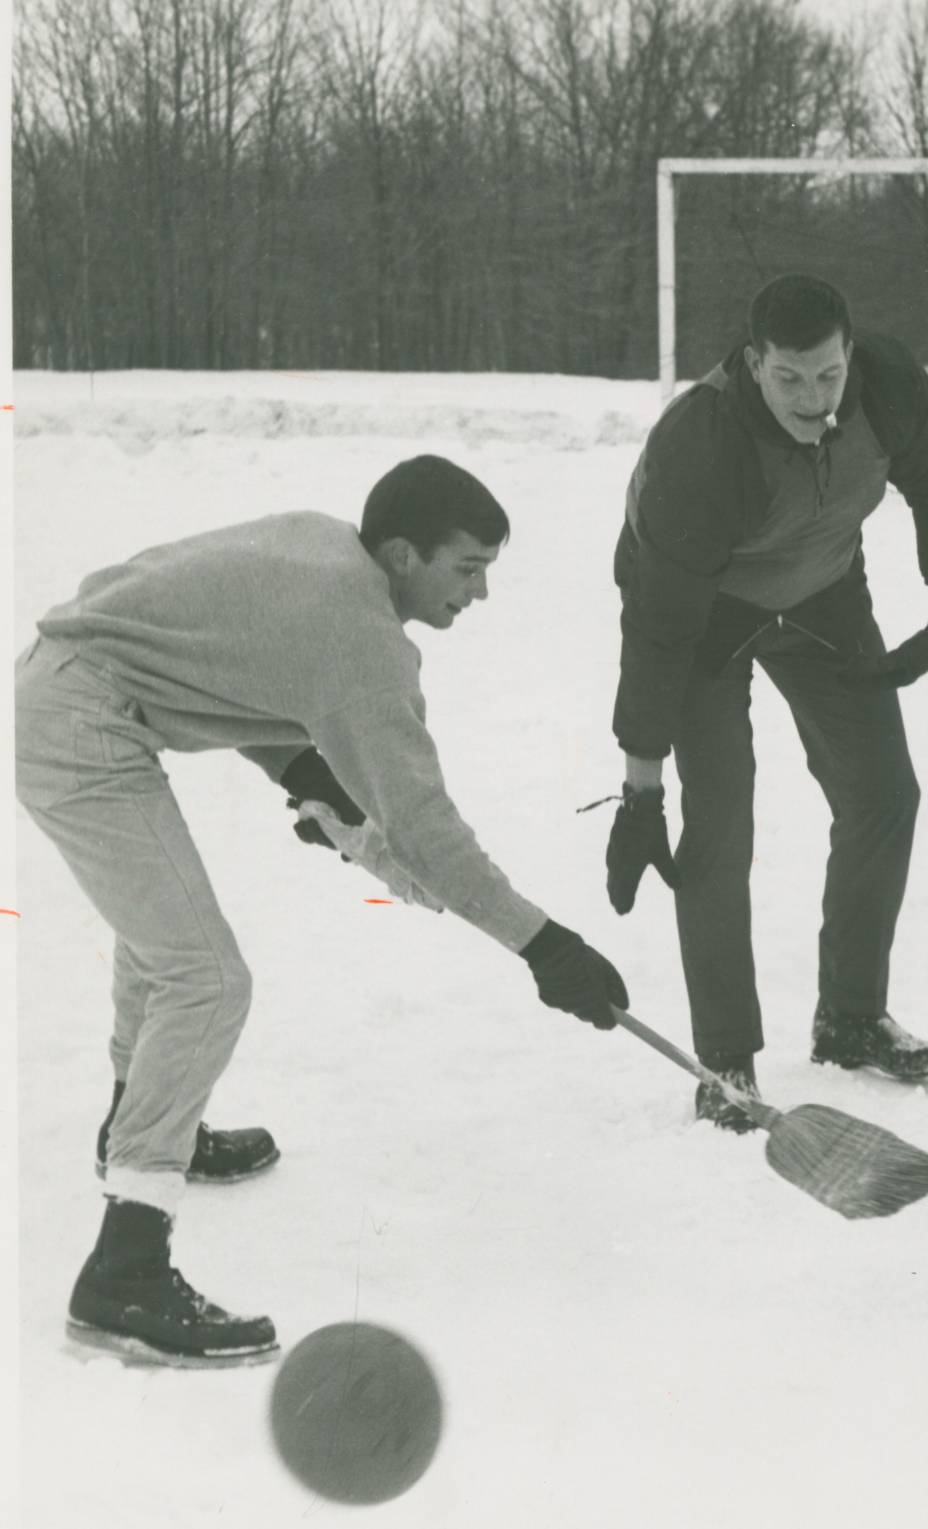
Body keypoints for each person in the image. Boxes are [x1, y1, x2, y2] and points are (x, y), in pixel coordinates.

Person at [15, 456, 631, 1368]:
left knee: (164, 939)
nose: (483, 592)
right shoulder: (364, 640)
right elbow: (426, 827)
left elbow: (234, 663)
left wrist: (311, 780)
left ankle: (143, 1128)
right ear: (401, 553)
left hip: (66, 690)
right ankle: (125, 1269)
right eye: (466, 568)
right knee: (206, 977)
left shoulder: (321, 545)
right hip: (83, 725)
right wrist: (544, 945)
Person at [607, 273, 928, 1132]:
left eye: (827, 376)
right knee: (720, 825)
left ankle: (851, 1016)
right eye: (789, 379)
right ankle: (726, 1064)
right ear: (752, 364)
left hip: (822, 595)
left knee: (884, 794)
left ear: (851, 356)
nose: (813, 399)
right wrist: (639, 791)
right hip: (705, 613)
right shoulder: (698, 447)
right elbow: (658, 630)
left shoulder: (887, 387)